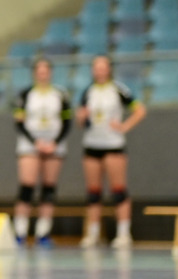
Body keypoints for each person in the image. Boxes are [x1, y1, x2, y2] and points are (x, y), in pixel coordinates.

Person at [75, 55, 147, 249]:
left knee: (118, 189)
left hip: (113, 144)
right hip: (92, 144)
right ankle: (93, 233)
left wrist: (124, 126)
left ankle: (123, 233)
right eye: (96, 67)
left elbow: (140, 109)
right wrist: (81, 118)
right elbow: (80, 120)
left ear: (109, 69)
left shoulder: (118, 89)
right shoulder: (87, 91)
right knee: (93, 192)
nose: (100, 71)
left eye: (103, 67)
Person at [11, 58, 72, 247]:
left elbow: (67, 122)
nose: (43, 73)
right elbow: (19, 122)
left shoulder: (60, 94)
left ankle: (43, 232)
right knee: (27, 186)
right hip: (30, 145)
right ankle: (20, 231)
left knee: (48, 188)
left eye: (46, 70)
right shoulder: (25, 94)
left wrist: (54, 142)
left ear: (51, 73)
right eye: (39, 70)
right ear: (34, 73)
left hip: (54, 145)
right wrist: (35, 142)